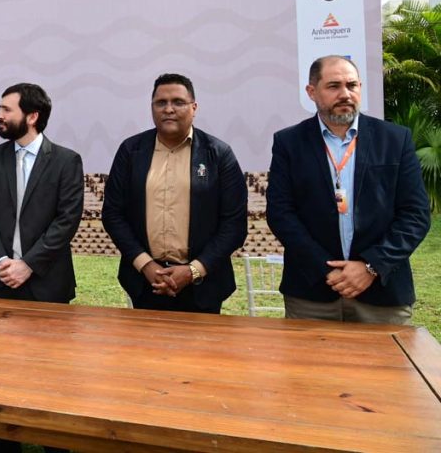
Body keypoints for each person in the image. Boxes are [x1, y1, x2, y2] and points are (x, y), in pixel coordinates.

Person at [267, 55, 431, 324]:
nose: (345, 94)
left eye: (352, 85)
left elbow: (416, 215)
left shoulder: (395, 139)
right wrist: (326, 270)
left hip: (382, 294)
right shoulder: (289, 142)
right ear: (311, 91)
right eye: (334, 86)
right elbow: (281, 214)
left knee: (385, 355)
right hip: (312, 294)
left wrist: (371, 266)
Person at [0, 83, 83, 453]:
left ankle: (53, 442)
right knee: (0, 369)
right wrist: (2, 261)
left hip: (47, 284)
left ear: (32, 116)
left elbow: (67, 221)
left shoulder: (66, 160)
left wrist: (29, 265)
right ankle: (3, 444)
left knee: (49, 372)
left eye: (6, 109)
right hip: (0, 281)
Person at [102, 73, 247, 314]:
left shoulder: (218, 154)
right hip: (146, 282)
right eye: (161, 103)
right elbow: (113, 214)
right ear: (152, 108)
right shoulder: (131, 151)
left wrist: (193, 271)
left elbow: (234, 225)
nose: (168, 109)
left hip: (203, 285)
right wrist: (146, 265)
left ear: (194, 107)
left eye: (178, 102)